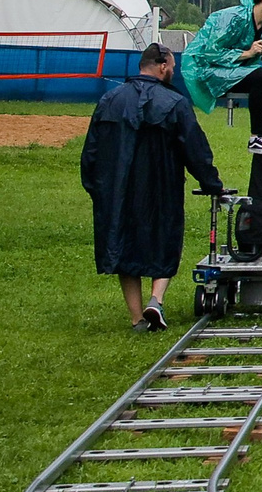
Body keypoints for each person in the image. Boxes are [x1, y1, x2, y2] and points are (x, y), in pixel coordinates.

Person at [84, 43, 225, 332]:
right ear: (162, 66)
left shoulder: (109, 100)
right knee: (164, 241)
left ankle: (136, 318)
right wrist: (212, 184)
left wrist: (96, 188)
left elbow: (91, 152)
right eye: (172, 66)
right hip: (161, 187)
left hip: (117, 189)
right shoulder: (174, 103)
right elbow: (195, 149)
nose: (173, 71)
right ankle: (156, 299)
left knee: (123, 246)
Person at [180, 0, 262, 155]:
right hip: (205, 69)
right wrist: (247, 53)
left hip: (235, 69)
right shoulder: (232, 18)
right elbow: (210, 52)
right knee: (260, 75)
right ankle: (256, 136)